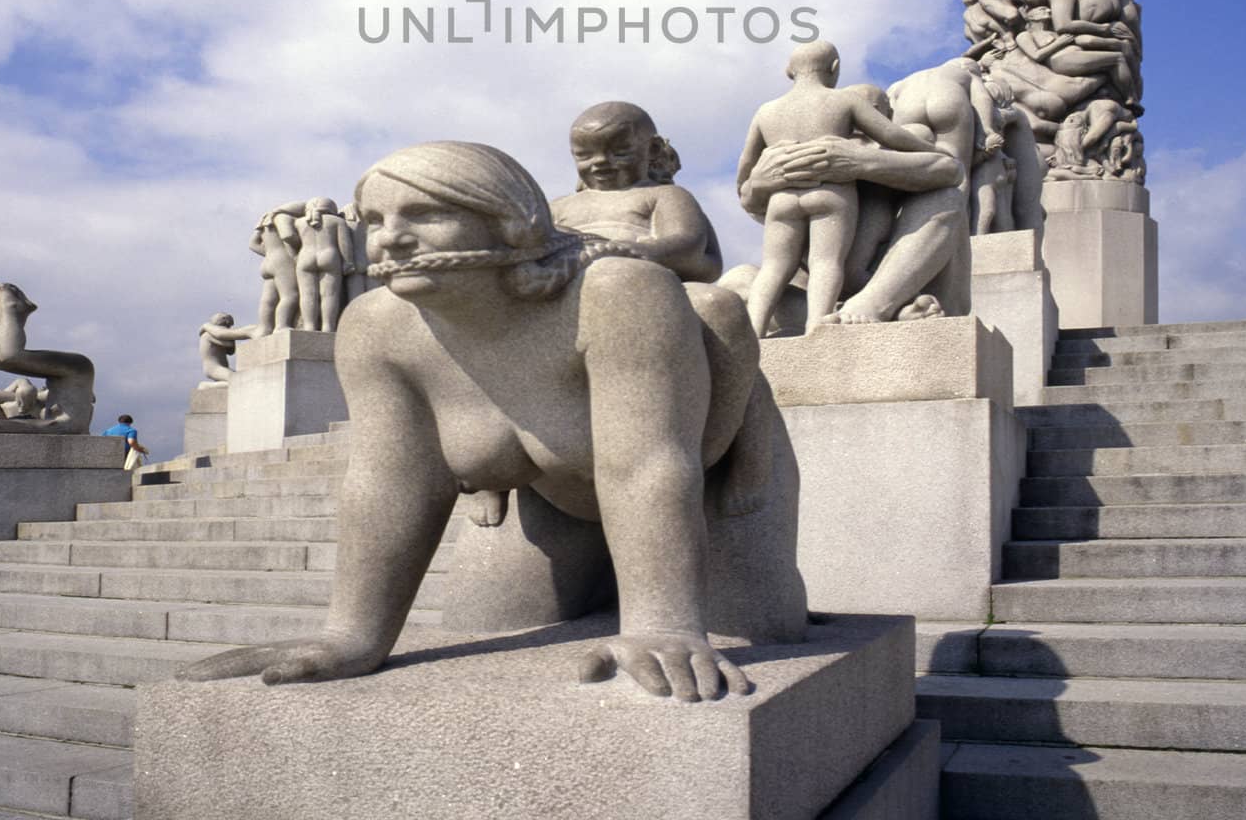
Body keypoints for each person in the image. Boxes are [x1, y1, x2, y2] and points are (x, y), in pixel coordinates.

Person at [179, 140, 800, 700]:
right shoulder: (377, 327)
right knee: (488, 618)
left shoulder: (616, 293)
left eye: (423, 215)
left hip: (714, 491)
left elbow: (646, 466)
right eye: (375, 221)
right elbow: (390, 484)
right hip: (547, 501)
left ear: (510, 225)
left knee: (755, 634)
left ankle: (674, 575)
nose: (388, 239)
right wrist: (352, 637)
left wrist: (661, 623)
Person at [735, 42, 938, 335]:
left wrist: (757, 181)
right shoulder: (842, 100)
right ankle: (816, 326)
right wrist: (927, 150)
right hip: (830, 194)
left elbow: (746, 167)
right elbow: (891, 135)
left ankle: (752, 333)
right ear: (834, 69)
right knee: (826, 262)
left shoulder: (766, 111)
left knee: (774, 267)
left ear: (788, 71)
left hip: (782, 198)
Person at [550, 101, 722, 283]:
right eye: (584, 155)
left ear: (653, 149)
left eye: (620, 152)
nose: (600, 160)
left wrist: (632, 250)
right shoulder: (558, 207)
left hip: (642, 279)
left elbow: (688, 242)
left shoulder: (665, 195)